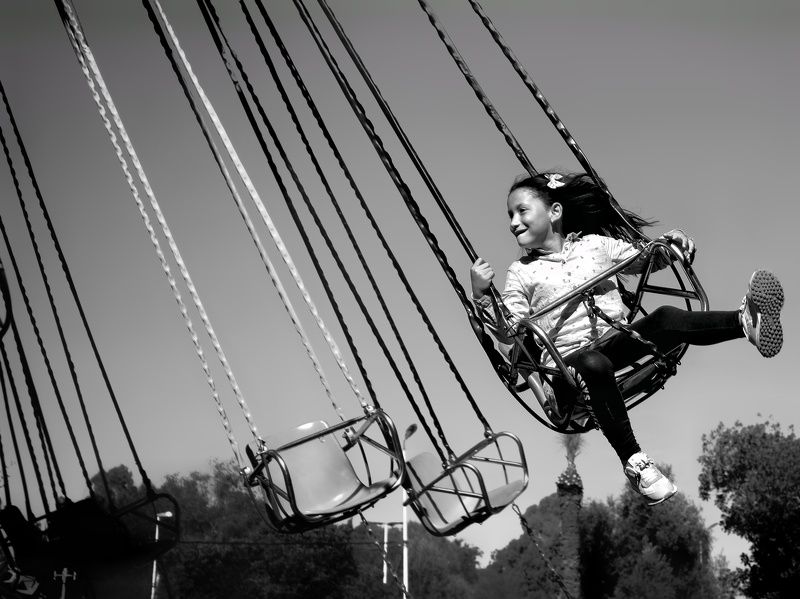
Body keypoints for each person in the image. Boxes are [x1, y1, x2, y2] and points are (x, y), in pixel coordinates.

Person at [470, 171, 784, 505]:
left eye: (521, 211)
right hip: (564, 371)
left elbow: (644, 259)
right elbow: (508, 331)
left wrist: (670, 243)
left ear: (555, 212)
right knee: (592, 362)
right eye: (510, 215)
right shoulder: (521, 272)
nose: (513, 223)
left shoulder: (595, 245)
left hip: (613, 340)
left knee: (665, 317)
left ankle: (745, 322)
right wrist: (482, 295)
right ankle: (636, 464)